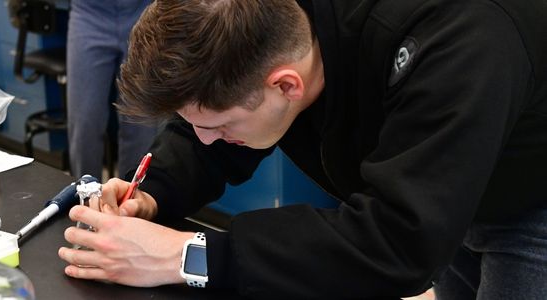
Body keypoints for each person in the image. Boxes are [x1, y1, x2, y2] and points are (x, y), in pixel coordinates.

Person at [58, 0, 547, 298]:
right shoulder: (271, 27)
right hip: (443, 184)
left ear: (286, 85)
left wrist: (185, 255)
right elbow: (215, 121)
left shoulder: (458, 44)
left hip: (530, 195)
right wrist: (156, 190)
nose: (204, 137)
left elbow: (400, 242)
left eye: (221, 125)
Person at [66, 0, 157, 178]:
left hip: (143, 11)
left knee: (141, 123)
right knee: (84, 122)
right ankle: (83, 196)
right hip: (89, 13)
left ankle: (131, 200)